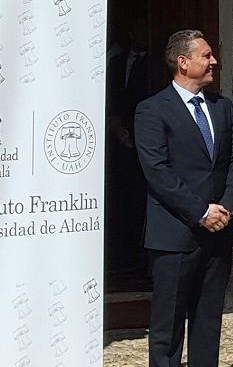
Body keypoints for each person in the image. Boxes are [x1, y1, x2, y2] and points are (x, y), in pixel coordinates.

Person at [135, 29, 233, 367]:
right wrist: (200, 211)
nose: (214, 61)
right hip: (175, 236)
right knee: (168, 329)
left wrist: (225, 208)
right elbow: (157, 172)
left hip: (218, 233)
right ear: (183, 63)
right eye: (206, 55)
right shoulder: (152, 110)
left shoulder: (222, 107)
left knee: (208, 323)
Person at [105, 17, 150, 276]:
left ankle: (140, 259)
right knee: (121, 200)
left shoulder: (152, 63)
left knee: (139, 200)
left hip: (143, 140)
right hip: (118, 140)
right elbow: (111, 96)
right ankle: (122, 257)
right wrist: (115, 127)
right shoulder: (117, 62)